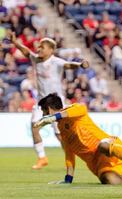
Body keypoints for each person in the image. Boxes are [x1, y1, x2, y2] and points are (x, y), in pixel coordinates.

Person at [34, 93, 122, 185]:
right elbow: (69, 154)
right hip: (99, 165)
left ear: (49, 109)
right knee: (110, 180)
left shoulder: (75, 109)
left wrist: (51, 118)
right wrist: (68, 180)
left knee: (101, 146)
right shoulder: (62, 131)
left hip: (109, 147)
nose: (43, 114)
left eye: (44, 111)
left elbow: (78, 110)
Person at [10, 32, 90, 169]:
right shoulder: (36, 59)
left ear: (51, 50)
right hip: (41, 103)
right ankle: (42, 158)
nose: (39, 49)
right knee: (35, 127)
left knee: (60, 135)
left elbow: (69, 65)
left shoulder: (56, 61)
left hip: (56, 104)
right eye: (39, 47)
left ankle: (70, 160)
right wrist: (15, 43)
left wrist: (80, 65)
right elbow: (26, 52)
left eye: (42, 47)